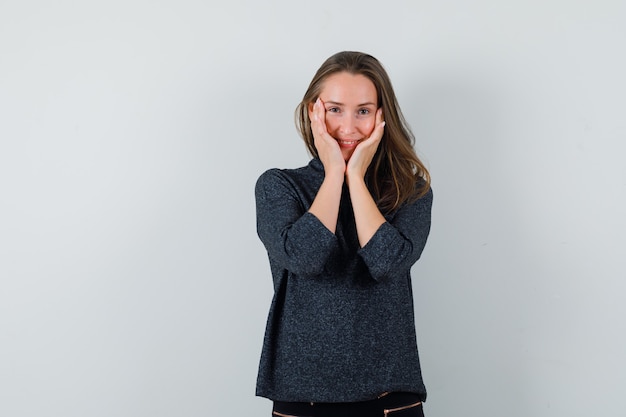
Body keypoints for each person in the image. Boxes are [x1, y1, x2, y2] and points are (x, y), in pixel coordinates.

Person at [255, 51, 433, 417]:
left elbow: (387, 263)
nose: (348, 127)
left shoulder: (410, 191)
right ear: (313, 112)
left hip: (390, 398)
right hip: (302, 397)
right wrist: (335, 174)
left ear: (382, 116)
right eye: (335, 109)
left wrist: (356, 179)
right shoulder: (279, 186)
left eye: (363, 111)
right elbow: (305, 258)